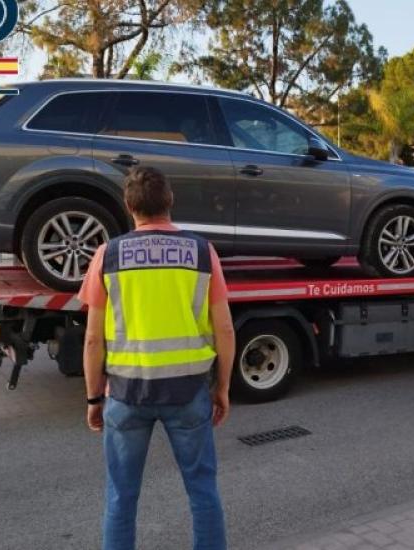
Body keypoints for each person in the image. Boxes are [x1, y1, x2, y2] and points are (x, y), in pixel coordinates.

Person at [78, 166, 236, 550]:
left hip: (126, 395)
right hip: (188, 393)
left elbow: (93, 338)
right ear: (170, 201)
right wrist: (223, 389)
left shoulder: (108, 255)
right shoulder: (202, 252)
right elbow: (226, 330)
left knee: (121, 498)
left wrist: (94, 397)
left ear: (129, 205)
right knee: (202, 491)